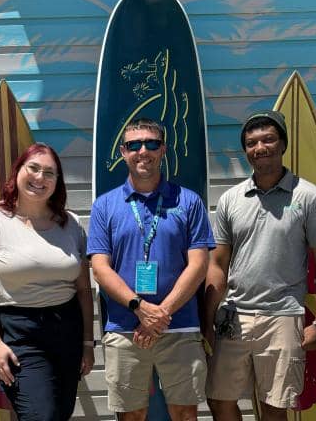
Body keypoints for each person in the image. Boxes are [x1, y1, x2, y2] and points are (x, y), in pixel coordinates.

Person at [203, 111, 316, 421]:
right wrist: (207, 320)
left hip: (283, 317)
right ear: (245, 150)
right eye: (251, 142)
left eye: (268, 139)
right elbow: (218, 264)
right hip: (233, 316)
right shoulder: (232, 199)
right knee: (219, 400)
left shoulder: (308, 196)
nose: (260, 147)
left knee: (274, 409)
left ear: (283, 143)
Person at [88, 118, 215, 421]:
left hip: (180, 324)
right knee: (131, 415)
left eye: (151, 143)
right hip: (125, 327)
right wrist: (140, 308)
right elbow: (100, 268)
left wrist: (160, 315)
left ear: (163, 150)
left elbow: (199, 265)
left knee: (185, 414)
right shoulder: (104, 206)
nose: (142, 151)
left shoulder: (189, 201)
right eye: (134, 145)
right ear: (123, 152)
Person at [0, 143, 95, 421]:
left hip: (66, 329)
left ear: (57, 182)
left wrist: (87, 343)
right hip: (19, 331)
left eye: (50, 173)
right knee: (40, 415)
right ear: (18, 171)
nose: (40, 178)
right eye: (33, 168)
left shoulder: (71, 223)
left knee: (60, 414)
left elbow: (84, 289)